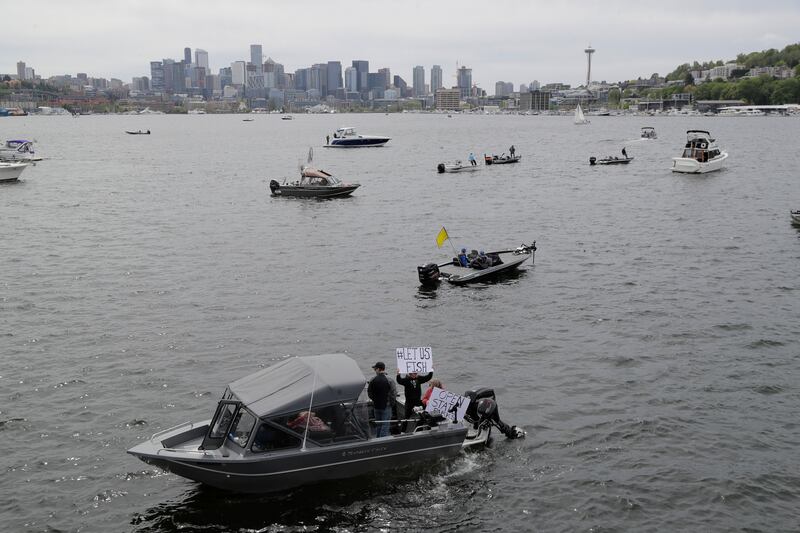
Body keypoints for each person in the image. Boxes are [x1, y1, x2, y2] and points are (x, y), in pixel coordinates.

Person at [367, 361, 392, 437]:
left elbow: (369, 392)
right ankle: (382, 441)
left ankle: (378, 439)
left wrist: (375, 399)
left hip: (376, 406)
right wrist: (391, 403)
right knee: (385, 425)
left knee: (379, 424)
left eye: (375, 369)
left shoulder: (372, 380)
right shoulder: (389, 380)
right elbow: (393, 393)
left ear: (378, 369)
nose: (374, 371)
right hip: (386, 406)